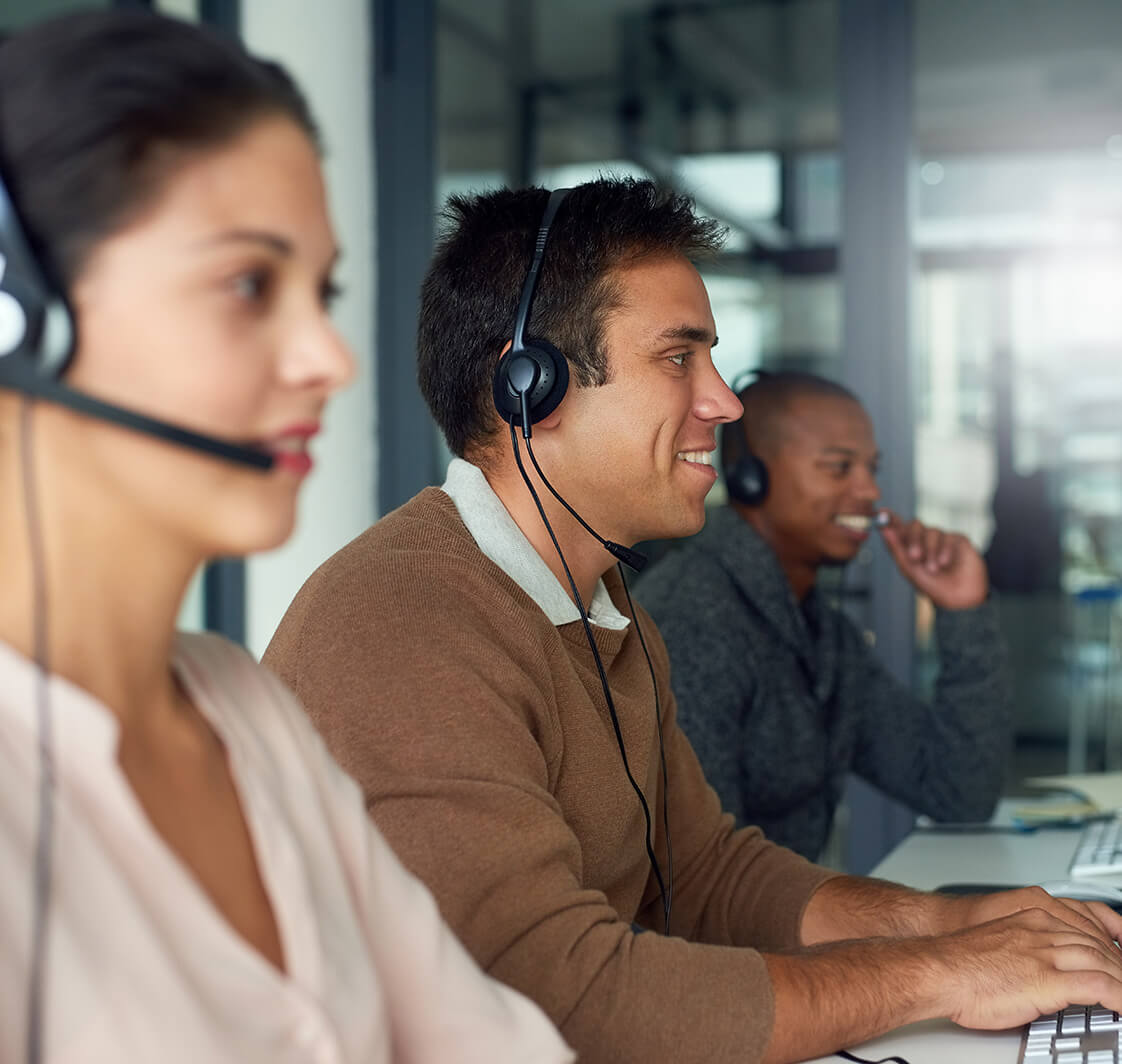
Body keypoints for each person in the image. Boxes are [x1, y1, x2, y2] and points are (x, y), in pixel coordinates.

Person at [264, 178, 1122, 1064]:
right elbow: (551, 1002)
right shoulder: (408, 624)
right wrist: (941, 975)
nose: (724, 403)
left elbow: (708, 873)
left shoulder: (606, 608)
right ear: (530, 384)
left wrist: (951, 921)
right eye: (679, 358)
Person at [0, 11, 572, 1063]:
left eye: (323, 293)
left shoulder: (244, 707)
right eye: (249, 284)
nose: (329, 359)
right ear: (18, 323)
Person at [633, 370, 1012, 860]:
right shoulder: (692, 620)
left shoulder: (822, 636)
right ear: (751, 478)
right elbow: (698, 878)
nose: (869, 492)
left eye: (871, 468)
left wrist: (964, 612)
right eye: (839, 468)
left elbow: (958, 792)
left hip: (772, 930)